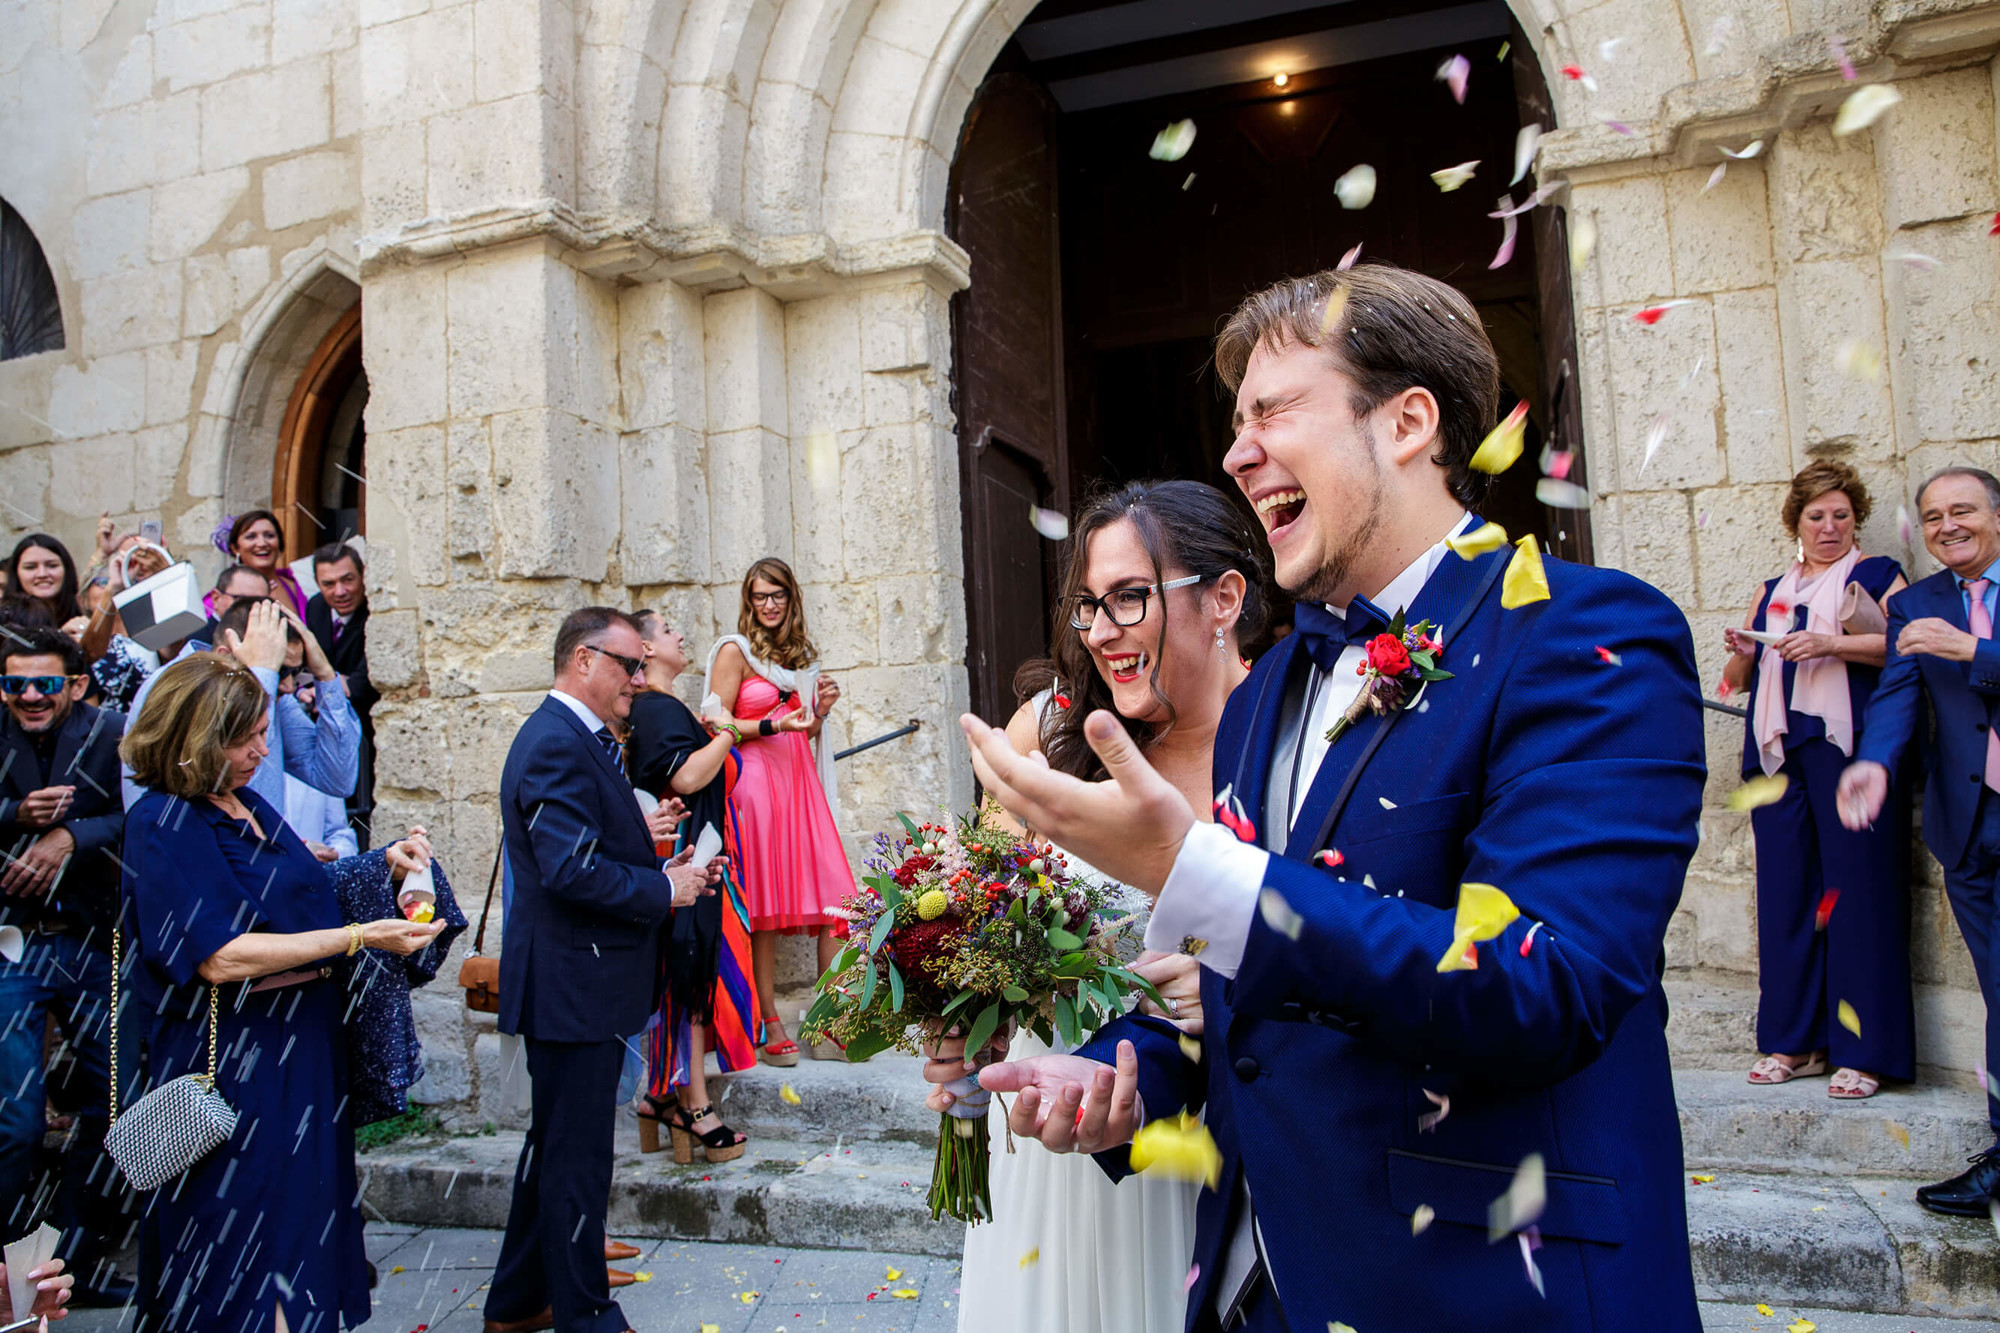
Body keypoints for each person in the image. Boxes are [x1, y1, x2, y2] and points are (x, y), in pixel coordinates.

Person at [950, 264, 1707, 1332]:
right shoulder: (1267, 693)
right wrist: (1122, 1075)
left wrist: (1190, 872)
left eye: (1270, 411)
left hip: (1484, 1287)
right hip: (1260, 1291)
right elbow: (1250, 1003)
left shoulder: (1584, 638)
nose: (1233, 451)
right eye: (1232, 421)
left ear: (1404, 422)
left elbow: (1549, 985)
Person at [927, 480, 1267, 1333]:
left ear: (1224, 598)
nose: (1102, 629)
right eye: (1088, 603)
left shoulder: (1287, 739)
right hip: (1051, 1129)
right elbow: (978, 919)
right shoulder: (1050, 733)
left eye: (1128, 597)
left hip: (1195, 1146)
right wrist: (967, 1025)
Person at [118, 652, 444, 1333]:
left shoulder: (246, 800)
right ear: (195, 741)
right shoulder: (164, 822)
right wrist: (358, 937)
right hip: (238, 1062)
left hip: (301, 1053)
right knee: (242, 1242)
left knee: (305, 1229)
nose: (263, 751)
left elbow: (296, 894)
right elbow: (220, 954)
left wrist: (380, 862)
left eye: (265, 732)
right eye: (246, 740)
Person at [487, 608, 725, 1333]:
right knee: (576, 1161)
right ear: (583, 660)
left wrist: (663, 865)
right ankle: (586, 1314)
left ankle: (517, 1302)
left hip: (582, 981)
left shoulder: (579, 738)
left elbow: (589, 848)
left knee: (555, 1150)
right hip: (571, 985)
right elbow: (569, 870)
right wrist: (666, 890)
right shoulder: (556, 742)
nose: (639, 677)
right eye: (628, 663)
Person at [1717, 462, 1912, 1099]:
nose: (1829, 527)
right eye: (1816, 516)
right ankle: (1794, 1043)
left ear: (1856, 519)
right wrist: (1743, 652)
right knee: (1785, 897)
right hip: (1778, 751)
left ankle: (1866, 1051)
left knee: (1859, 893)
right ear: (1795, 523)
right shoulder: (1770, 587)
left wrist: (1831, 645)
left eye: (1841, 516)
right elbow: (1735, 683)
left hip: (1848, 749)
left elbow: (1907, 647)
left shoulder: (1877, 575)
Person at [1840, 466, 2000, 1217]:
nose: (1947, 526)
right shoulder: (1914, 604)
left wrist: (1976, 654)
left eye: (1961, 510)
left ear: (1995, 514)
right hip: (1968, 828)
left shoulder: (1956, 624)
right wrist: (1872, 762)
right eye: (1932, 517)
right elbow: (1899, 699)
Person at [0, 628, 131, 1306]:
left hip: (89, 941)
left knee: (111, 1105)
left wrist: (70, 834)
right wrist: (14, 811)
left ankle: (71, 1265)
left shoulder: (109, 731)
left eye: (45, 683)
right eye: (15, 683)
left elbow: (134, 816)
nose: (28, 695)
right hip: (11, 943)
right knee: (16, 1120)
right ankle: (4, 1272)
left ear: (74, 684)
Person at [702, 557, 850, 1066]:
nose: (768, 605)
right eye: (759, 596)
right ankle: (768, 1021)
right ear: (749, 600)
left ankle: (825, 1022)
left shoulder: (798, 660)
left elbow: (801, 728)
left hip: (797, 785)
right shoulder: (733, 651)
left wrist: (819, 713)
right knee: (762, 910)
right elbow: (714, 722)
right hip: (756, 787)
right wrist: (771, 726)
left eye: (777, 595)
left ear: (791, 599)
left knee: (839, 902)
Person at [627, 610, 756, 1163]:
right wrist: (726, 731)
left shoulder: (661, 707)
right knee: (689, 972)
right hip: (684, 857)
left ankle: (660, 1095)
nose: (681, 635)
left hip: (693, 851)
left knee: (690, 970)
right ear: (647, 650)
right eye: (669, 631)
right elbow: (686, 777)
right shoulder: (654, 708)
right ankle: (694, 1106)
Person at [123, 596, 360, 813]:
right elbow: (237, 787)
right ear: (227, 653)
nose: (289, 687)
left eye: (295, 671)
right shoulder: (175, 685)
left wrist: (325, 675)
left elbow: (337, 778)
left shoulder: (273, 690)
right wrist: (263, 674)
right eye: (281, 670)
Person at [305, 541, 378, 847]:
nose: (340, 591)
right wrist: (332, 683)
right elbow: (306, 670)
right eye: (329, 583)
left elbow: (364, 684)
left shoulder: (376, 613)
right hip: (326, 731)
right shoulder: (315, 608)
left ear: (362, 577)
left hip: (364, 734)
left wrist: (325, 684)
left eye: (348, 580)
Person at [84, 537, 173, 711]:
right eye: (102, 581)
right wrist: (113, 587)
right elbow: (88, 655)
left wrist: (165, 577)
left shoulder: (151, 628)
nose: (138, 565)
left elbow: (173, 652)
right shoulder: (78, 630)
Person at [6, 534, 107, 661]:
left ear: (66, 569)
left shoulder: (81, 611)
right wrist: (61, 639)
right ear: (16, 574)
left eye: (52, 565)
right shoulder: (5, 619)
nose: (42, 574)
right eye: (30, 567)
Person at [207, 510, 307, 617]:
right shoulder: (221, 597)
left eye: (269, 535)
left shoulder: (299, 586)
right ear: (235, 548)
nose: (262, 543)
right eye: (251, 537)